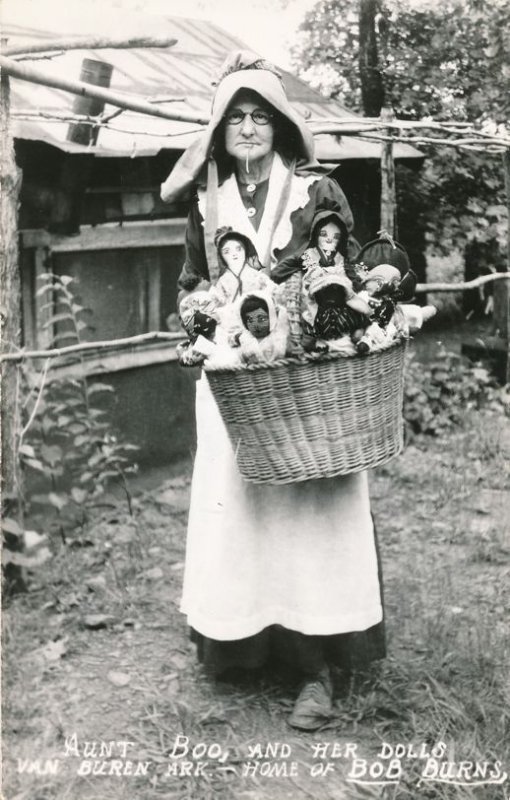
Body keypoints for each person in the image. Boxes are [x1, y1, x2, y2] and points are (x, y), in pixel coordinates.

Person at [161, 50, 385, 731]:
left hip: (307, 385)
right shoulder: (208, 200)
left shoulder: (316, 192)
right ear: (220, 130)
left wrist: (328, 311)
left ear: (282, 127)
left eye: (262, 116)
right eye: (238, 118)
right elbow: (190, 282)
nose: (250, 128)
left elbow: (350, 267)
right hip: (237, 385)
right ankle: (248, 647)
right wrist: (200, 314)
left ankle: (317, 664)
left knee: (309, 517)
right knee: (244, 514)